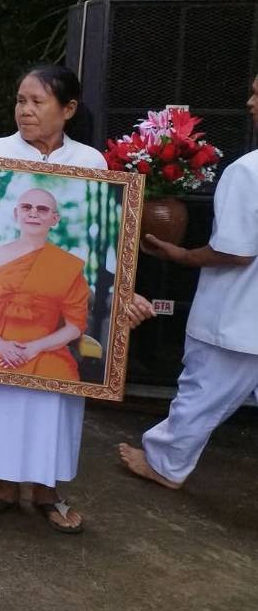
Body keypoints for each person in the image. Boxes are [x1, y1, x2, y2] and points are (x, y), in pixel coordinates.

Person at [0, 64, 154, 532]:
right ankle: (2, 488)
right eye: (20, 101)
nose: (25, 111)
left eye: (37, 102)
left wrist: (127, 293)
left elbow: (104, 249)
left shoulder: (91, 164)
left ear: (67, 110)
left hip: (51, 328)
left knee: (55, 402)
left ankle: (47, 491)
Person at [119, 74, 258, 489]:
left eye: (257, 94)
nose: (249, 102)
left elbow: (235, 252)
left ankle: (164, 463)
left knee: (201, 392)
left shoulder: (248, 171)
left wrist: (181, 255)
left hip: (237, 315)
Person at [0, 187, 89, 383]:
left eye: (42, 209)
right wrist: (0, 345)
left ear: (55, 219)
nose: (33, 213)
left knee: (61, 376)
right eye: (27, 207)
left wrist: (34, 348)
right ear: (16, 214)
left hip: (46, 352)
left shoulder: (67, 265)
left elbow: (75, 326)